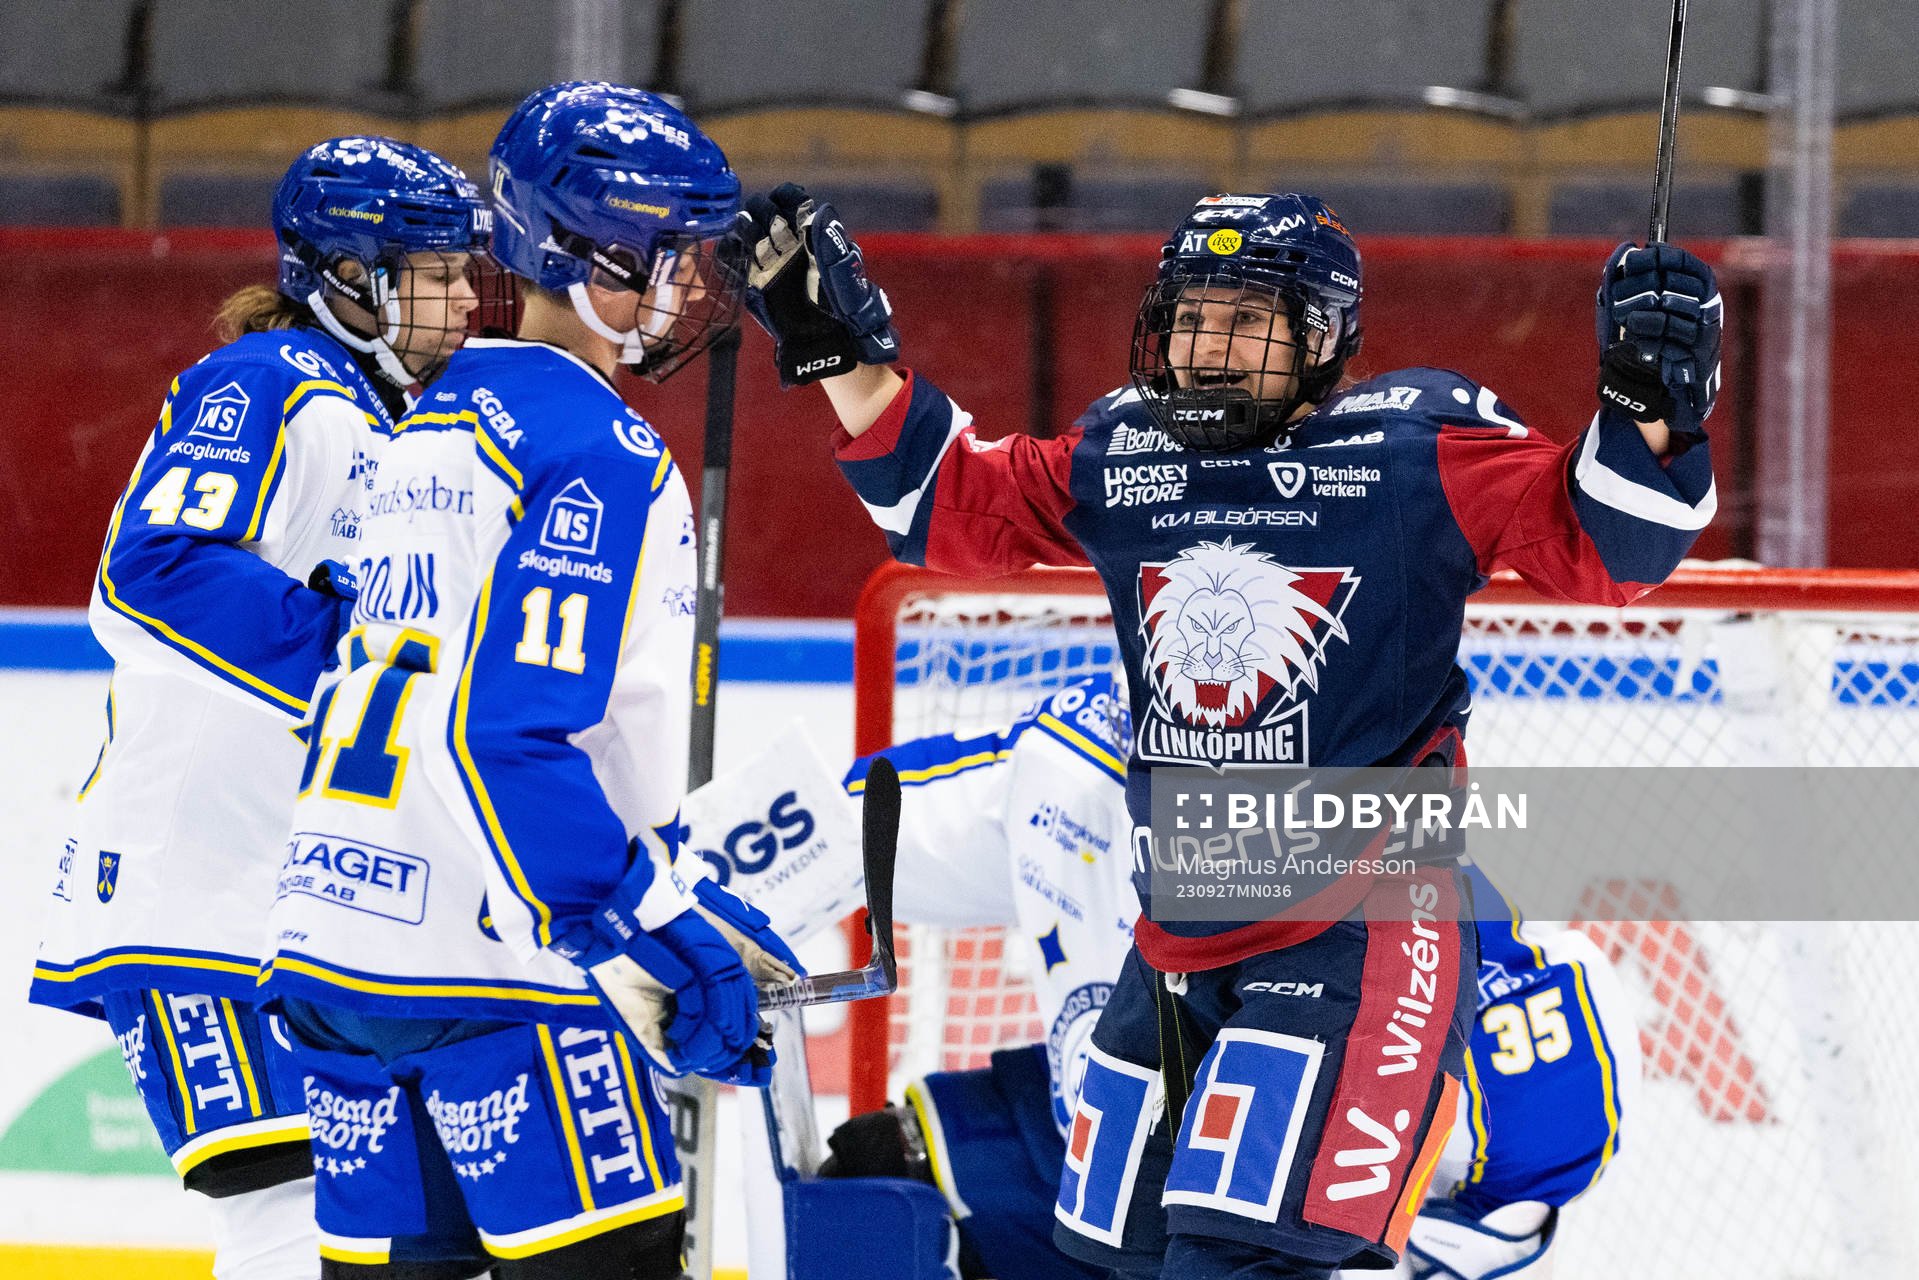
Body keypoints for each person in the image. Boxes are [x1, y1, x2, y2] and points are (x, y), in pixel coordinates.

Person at [730, 187, 1718, 1277]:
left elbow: (1610, 547)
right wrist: (843, 357)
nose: (1206, 349)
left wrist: (1647, 402)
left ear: (1325, 336)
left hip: (1358, 931)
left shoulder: (1416, 449)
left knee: (1235, 1265)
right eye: (1191, 318)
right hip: (1174, 938)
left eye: (1246, 322)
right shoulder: (1129, 450)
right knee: (1118, 1260)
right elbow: (949, 502)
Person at [258, 82, 800, 1279]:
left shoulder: (424, 421)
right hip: (494, 970)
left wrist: (671, 883)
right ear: (595, 259)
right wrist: (643, 920)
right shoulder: (593, 446)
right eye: (674, 256)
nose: (691, 286)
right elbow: (501, 736)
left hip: (336, 950)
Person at [689, 675, 1641, 1280]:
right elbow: (814, 835)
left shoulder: (1525, 1036)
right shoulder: (1066, 775)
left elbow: (1481, 1217)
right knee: (869, 1203)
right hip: (1102, 1149)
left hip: (1274, 1225)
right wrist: (665, 903)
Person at [29, 137, 489, 1280]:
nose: (463, 299)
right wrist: (362, 661)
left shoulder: (403, 418)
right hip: (196, 892)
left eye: (464, 271)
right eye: (434, 273)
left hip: (306, 895)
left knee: (391, 1226)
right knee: (293, 1212)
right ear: (347, 274)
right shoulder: (271, 381)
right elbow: (157, 570)